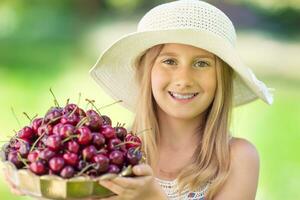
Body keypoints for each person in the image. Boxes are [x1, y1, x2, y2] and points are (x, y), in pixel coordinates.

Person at [6, 0, 273, 199]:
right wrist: (38, 182)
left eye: (202, 63)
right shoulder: (114, 155)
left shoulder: (236, 159)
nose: (184, 78)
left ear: (222, 80)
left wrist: (152, 197)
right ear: (146, 72)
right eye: (169, 61)